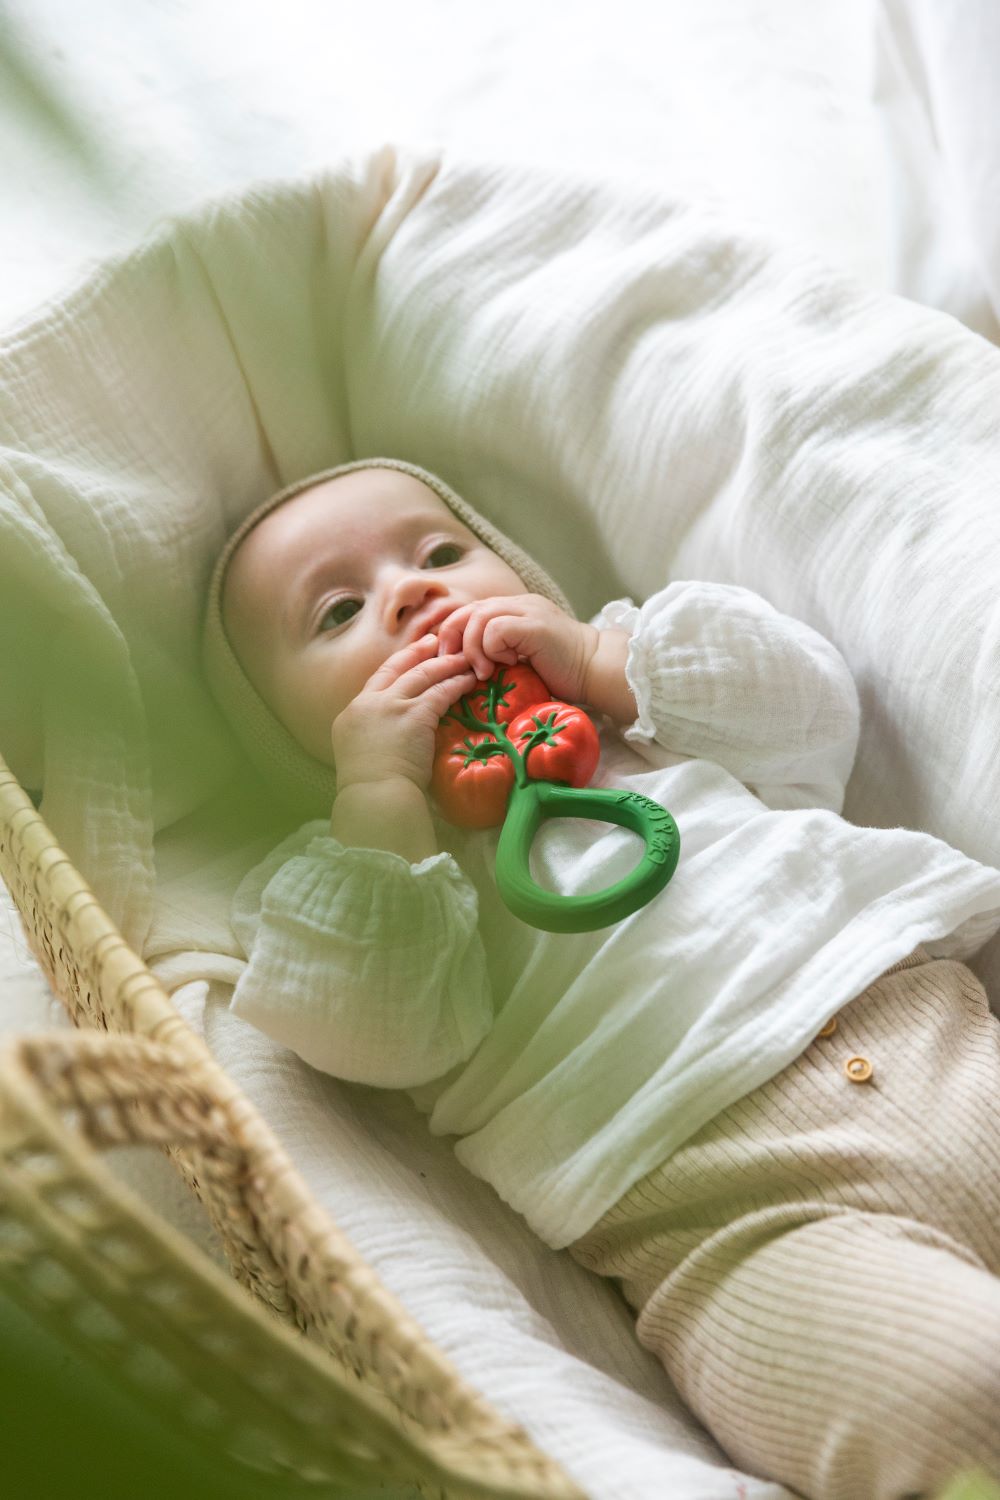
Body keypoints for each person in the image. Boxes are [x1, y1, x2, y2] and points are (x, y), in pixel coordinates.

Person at [200, 455, 1000, 1500]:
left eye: (442, 552)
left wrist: (597, 659)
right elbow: (369, 1028)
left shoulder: (650, 710)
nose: (412, 593)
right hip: (738, 1219)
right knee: (952, 1397)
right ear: (286, 742)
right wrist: (379, 800)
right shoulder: (347, 872)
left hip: (936, 1044)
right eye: (338, 612)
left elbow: (811, 713)